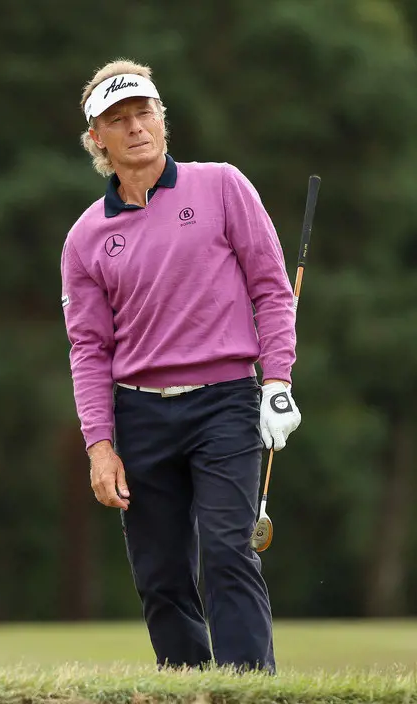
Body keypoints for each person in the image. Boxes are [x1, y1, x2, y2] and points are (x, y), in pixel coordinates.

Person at [59, 58, 302, 673]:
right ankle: (189, 688)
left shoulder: (221, 185)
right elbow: (89, 349)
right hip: (139, 411)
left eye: (145, 112)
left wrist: (276, 383)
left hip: (225, 400)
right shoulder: (86, 238)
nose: (136, 126)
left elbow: (272, 289)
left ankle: (249, 687)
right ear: (97, 140)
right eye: (119, 119)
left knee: (226, 553)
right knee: (161, 574)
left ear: (162, 119)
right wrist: (99, 445)